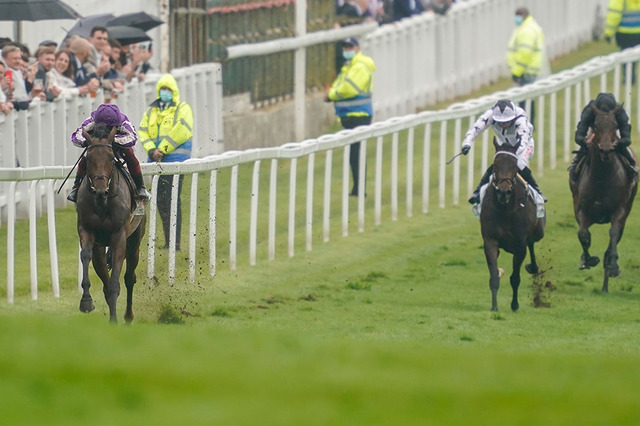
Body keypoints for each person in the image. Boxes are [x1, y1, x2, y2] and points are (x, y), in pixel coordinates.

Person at [138, 73, 194, 250]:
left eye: (168, 89)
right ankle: (169, 241)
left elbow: (182, 130)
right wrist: (151, 150)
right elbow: (142, 131)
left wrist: (162, 149)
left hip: (176, 160)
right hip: (156, 161)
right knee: (160, 201)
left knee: (171, 199)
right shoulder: (151, 111)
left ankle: (174, 242)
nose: (165, 92)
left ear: (174, 91)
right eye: (162, 89)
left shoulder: (182, 108)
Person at [461, 99, 543, 205]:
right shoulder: (490, 114)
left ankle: (537, 192)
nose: (503, 125)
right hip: (504, 145)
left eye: (506, 122)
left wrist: (511, 156)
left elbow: (523, 140)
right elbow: (476, 129)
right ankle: (478, 192)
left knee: (519, 164)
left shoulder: (520, 117)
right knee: (498, 165)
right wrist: (467, 143)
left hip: (524, 145)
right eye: (500, 122)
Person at [67, 103, 151, 205]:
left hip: (118, 146)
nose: (107, 129)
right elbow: (77, 135)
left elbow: (132, 137)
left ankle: (140, 187)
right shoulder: (91, 120)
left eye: (110, 127)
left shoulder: (123, 122)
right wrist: (86, 142)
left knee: (130, 154)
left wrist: (113, 140)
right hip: (97, 145)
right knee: (86, 157)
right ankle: (76, 187)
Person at [325, 37, 375, 196]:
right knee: (354, 153)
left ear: (357, 48)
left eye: (350, 47)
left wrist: (331, 95)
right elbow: (339, 84)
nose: (347, 50)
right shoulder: (350, 66)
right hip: (351, 115)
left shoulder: (360, 66)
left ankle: (360, 189)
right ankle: (358, 188)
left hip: (358, 114)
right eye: (345, 48)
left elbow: (349, 88)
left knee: (356, 153)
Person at [569, 92, 637, 182]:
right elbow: (579, 135)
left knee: (625, 150)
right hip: (594, 133)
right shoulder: (589, 111)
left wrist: (619, 142)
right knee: (582, 151)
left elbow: (627, 139)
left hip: (613, 133)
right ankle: (574, 166)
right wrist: (585, 142)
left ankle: (631, 166)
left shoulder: (620, 113)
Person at [507, 7, 545, 122]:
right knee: (528, 99)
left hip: (525, 70)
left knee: (524, 100)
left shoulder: (526, 31)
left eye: (518, 15)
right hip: (529, 70)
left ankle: (525, 123)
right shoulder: (529, 27)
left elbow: (525, 53)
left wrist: (516, 72)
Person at [604, 0, 640, 84]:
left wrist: (608, 33)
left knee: (627, 57)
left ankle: (629, 79)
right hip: (638, 32)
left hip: (624, 33)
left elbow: (614, 15)